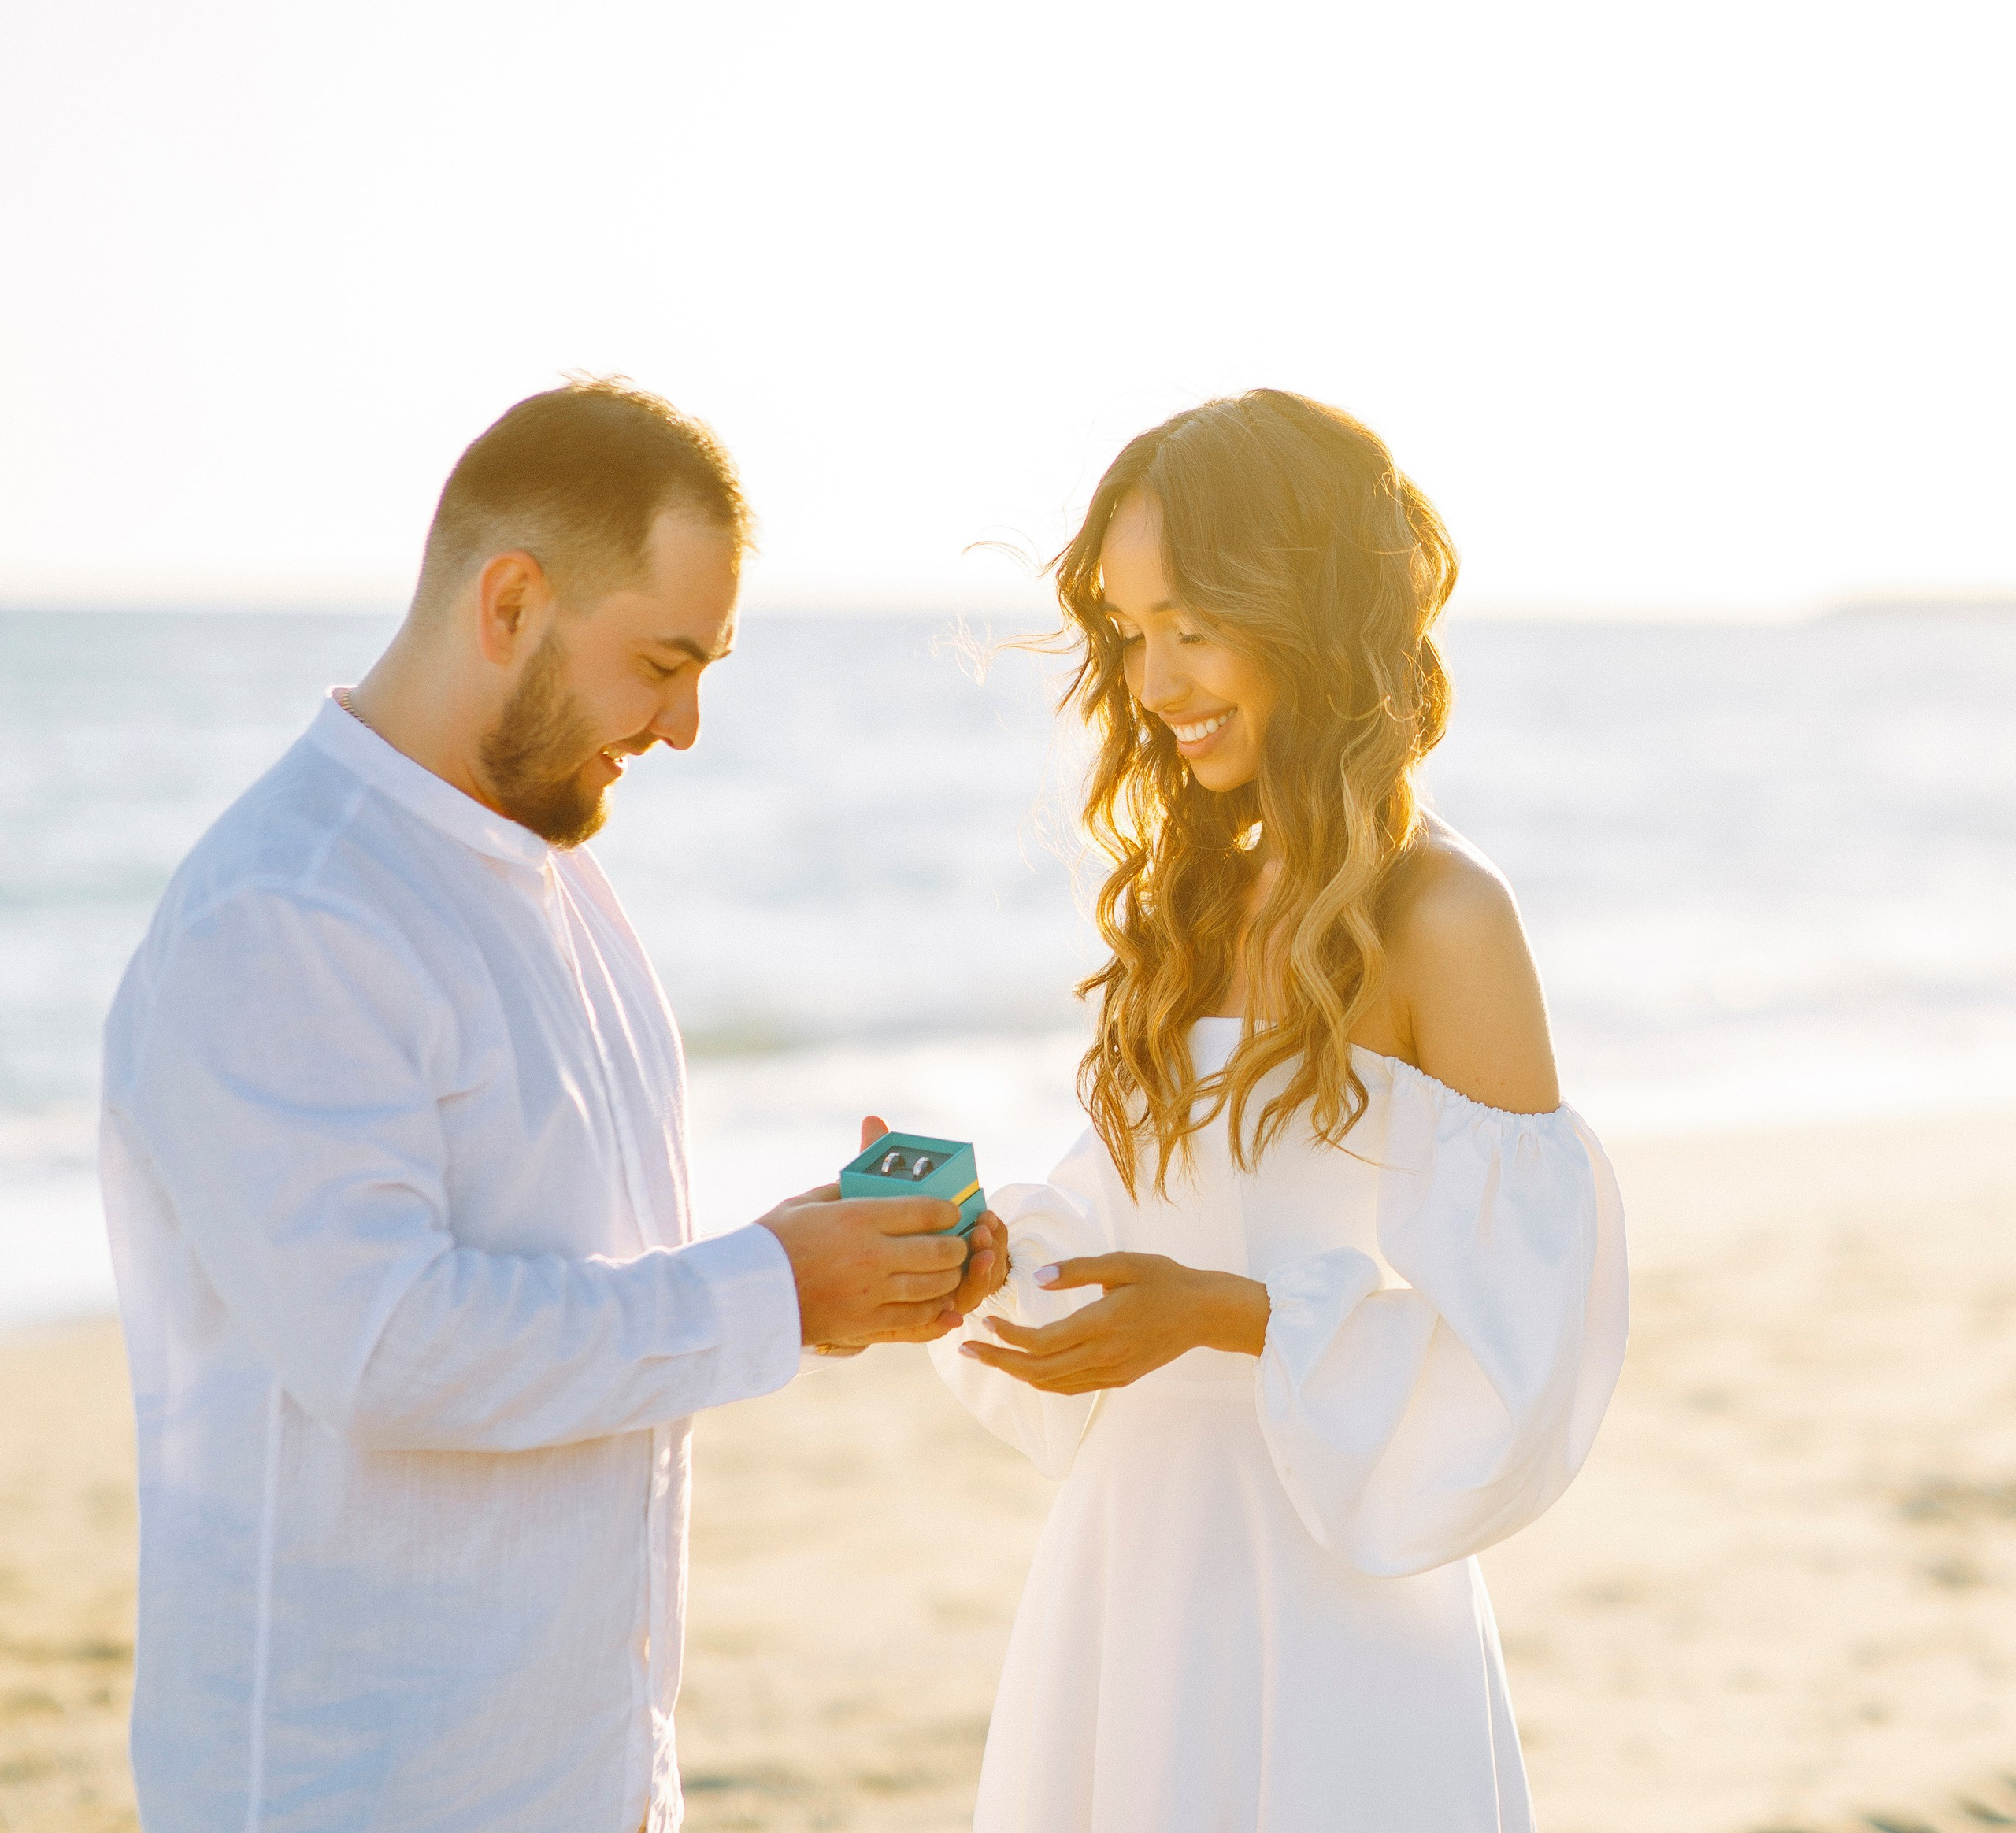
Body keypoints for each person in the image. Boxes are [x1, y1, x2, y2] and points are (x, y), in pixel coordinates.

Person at [98, 378, 999, 1833]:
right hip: (368, 1789)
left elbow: (582, 1284)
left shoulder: (557, 876)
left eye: (706, 669)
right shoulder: (288, 909)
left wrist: (821, 1265)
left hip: (576, 1775)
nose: (687, 725)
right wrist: (768, 1289)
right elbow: (390, 1350)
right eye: (660, 662)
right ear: (510, 603)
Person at [932, 391, 1629, 1832]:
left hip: (1330, 1575)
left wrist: (1224, 1315)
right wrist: (973, 1239)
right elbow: (1119, 1223)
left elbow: (1529, 1347)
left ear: (1311, 613)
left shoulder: (1445, 914)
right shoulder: (1195, 899)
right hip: (1132, 1563)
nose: (1153, 678)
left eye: (1193, 624)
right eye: (1130, 632)